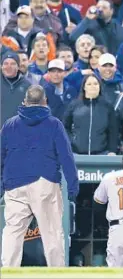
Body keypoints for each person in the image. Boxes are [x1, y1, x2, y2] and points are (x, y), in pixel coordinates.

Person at [0, 85, 79, 267]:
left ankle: (8, 273)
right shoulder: (54, 124)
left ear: (24, 102)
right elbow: (66, 156)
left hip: (14, 184)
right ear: (45, 101)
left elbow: (1, 156)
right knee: (51, 233)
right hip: (44, 183)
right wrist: (73, 186)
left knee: (12, 232)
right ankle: (56, 274)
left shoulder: (10, 124)